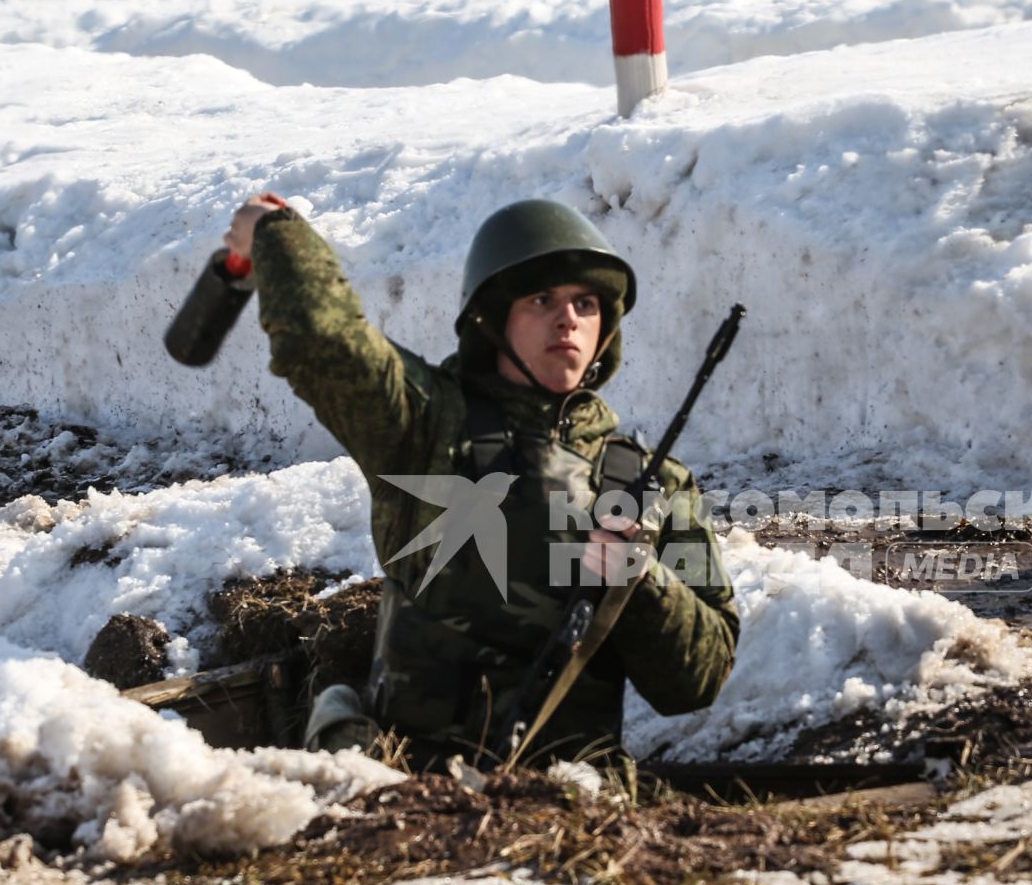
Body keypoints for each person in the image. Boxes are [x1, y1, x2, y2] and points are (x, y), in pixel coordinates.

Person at [223, 195, 738, 769]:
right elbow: (326, 340)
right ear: (491, 320)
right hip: (405, 791)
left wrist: (641, 582)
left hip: (569, 806)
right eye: (542, 299)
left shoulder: (655, 483)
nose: (567, 319)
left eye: (585, 304)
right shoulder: (424, 423)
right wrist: (276, 234)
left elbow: (699, 680)